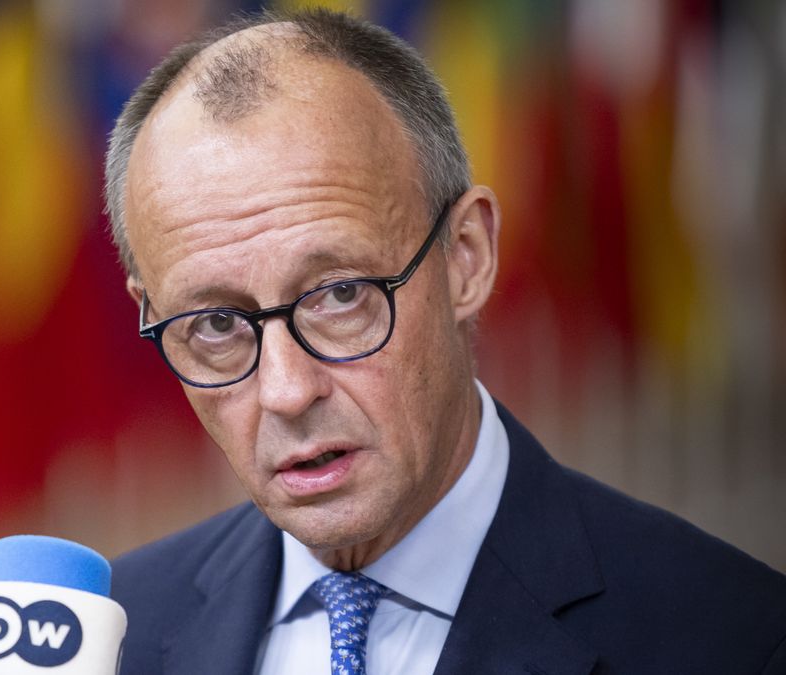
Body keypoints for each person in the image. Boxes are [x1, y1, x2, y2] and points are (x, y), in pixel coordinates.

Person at [102, 9, 786, 675]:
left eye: (341, 294)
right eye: (216, 324)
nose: (285, 390)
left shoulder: (737, 639)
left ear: (467, 256)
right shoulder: (115, 633)